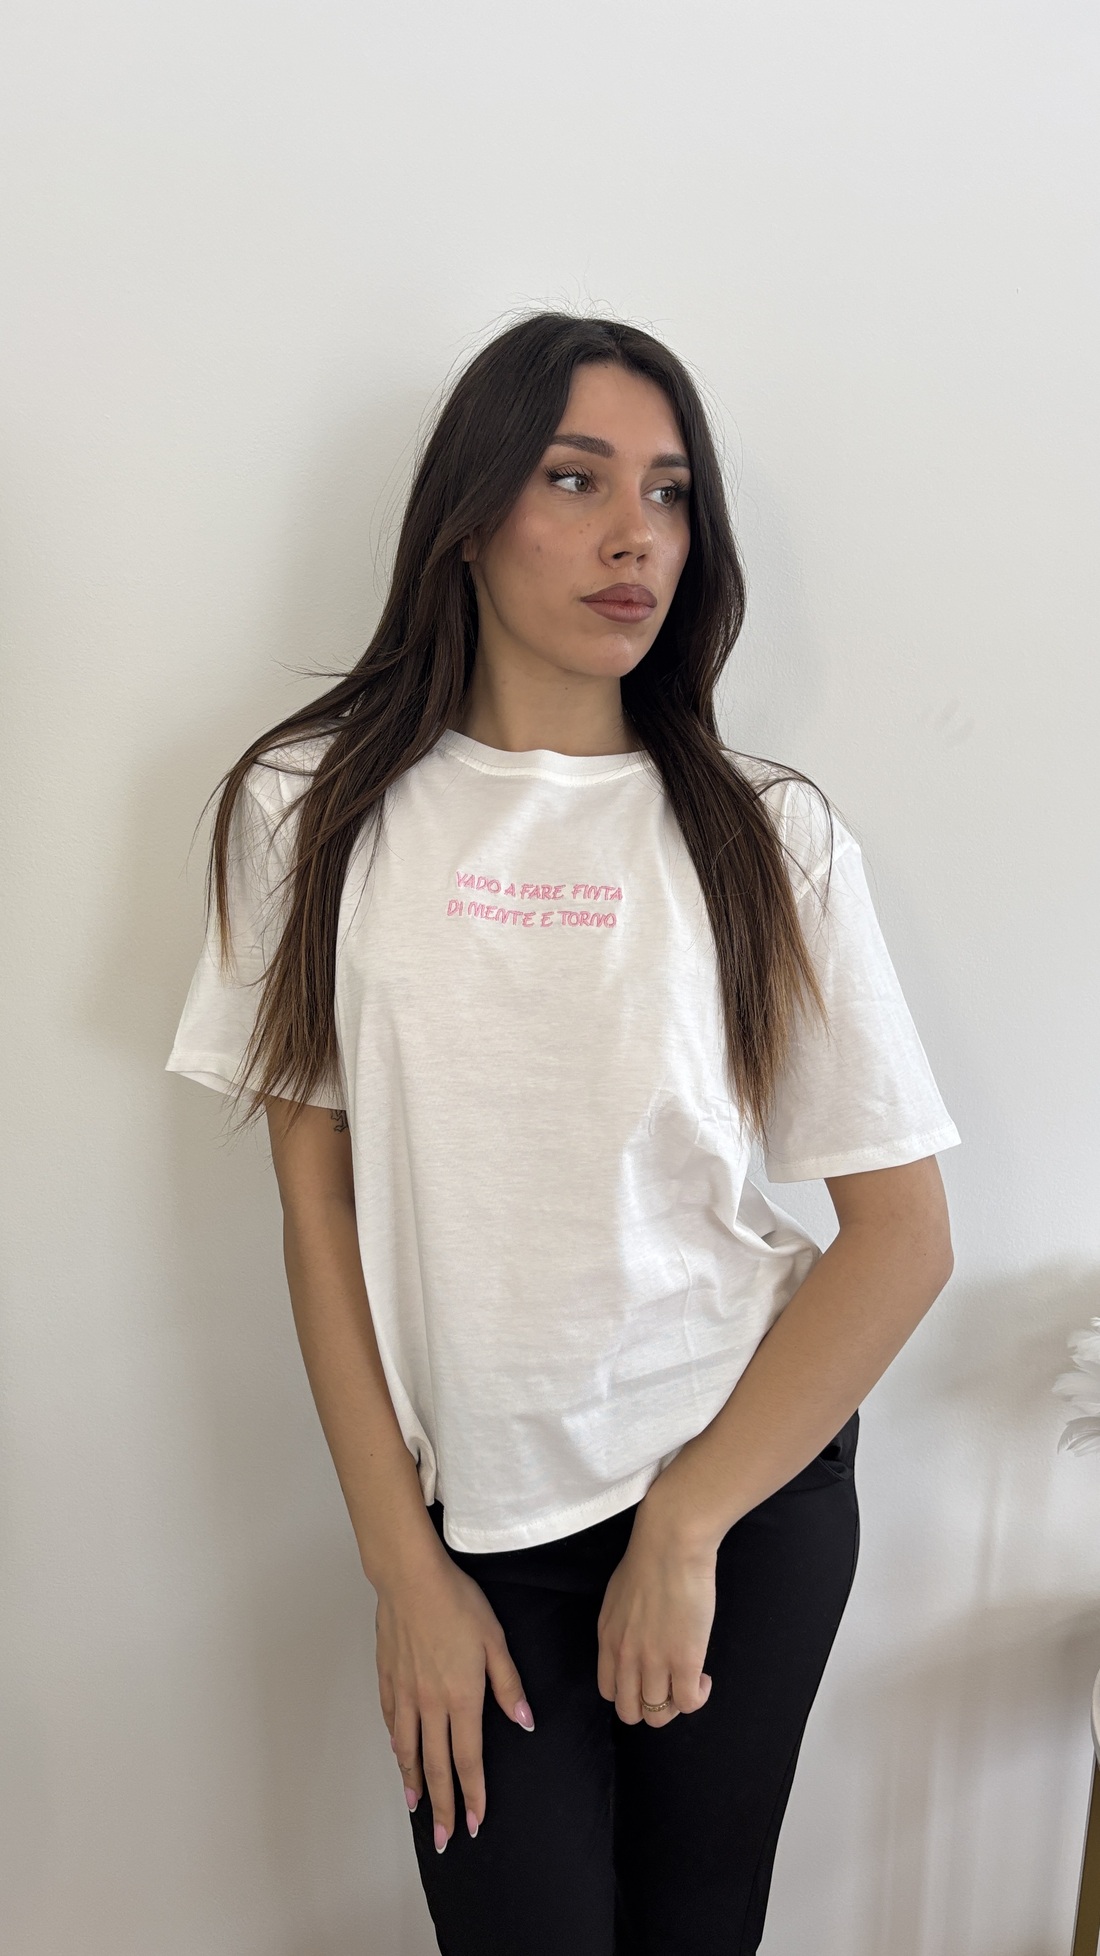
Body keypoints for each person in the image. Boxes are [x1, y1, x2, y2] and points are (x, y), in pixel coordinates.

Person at [165, 311, 961, 1954]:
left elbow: (902, 1238)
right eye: (576, 478)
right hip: (477, 1530)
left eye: (669, 493)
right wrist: (403, 1569)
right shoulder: (311, 814)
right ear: (468, 516)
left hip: (737, 1494)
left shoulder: (766, 838)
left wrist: (690, 1523)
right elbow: (317, 1212)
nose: (635, 536)